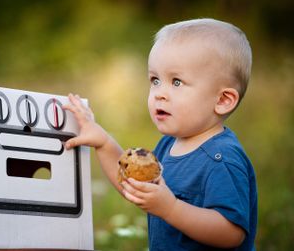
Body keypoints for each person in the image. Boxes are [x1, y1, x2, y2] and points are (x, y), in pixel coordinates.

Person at [63, 18, 257, 250]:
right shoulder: (168, 145)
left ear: (223, 100)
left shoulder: (222, 158)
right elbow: (133, 186)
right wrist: (103, 142)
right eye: (155, 80)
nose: (159, 94)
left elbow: (231, 233)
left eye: (176, 82)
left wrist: (171, 208)